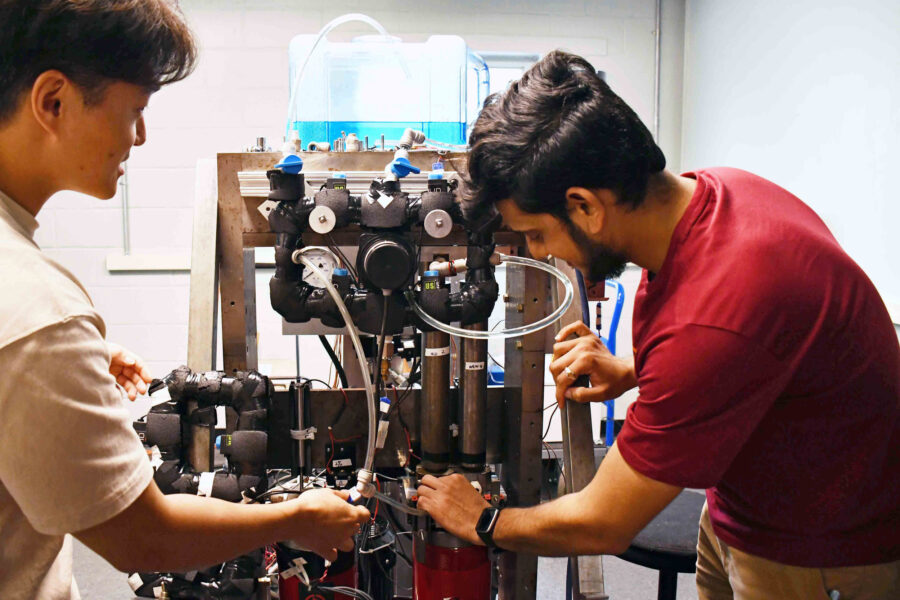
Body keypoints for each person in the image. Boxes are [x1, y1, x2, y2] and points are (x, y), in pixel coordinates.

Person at [417, 50, 899, 599]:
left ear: (585, 206)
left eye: (534, 234)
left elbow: (603, 522)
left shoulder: (719, 314)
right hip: (745, 507)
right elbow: (753, 352)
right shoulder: (714, 193)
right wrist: (637, 369)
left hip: (819, 554)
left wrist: (482, 521)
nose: (535, 251)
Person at [0, 2, 369, 599]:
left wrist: (74, 358)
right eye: (136, 110)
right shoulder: (37, 312)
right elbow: (145, 539)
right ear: (53, 102)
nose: (140, 136)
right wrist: (298, 519)